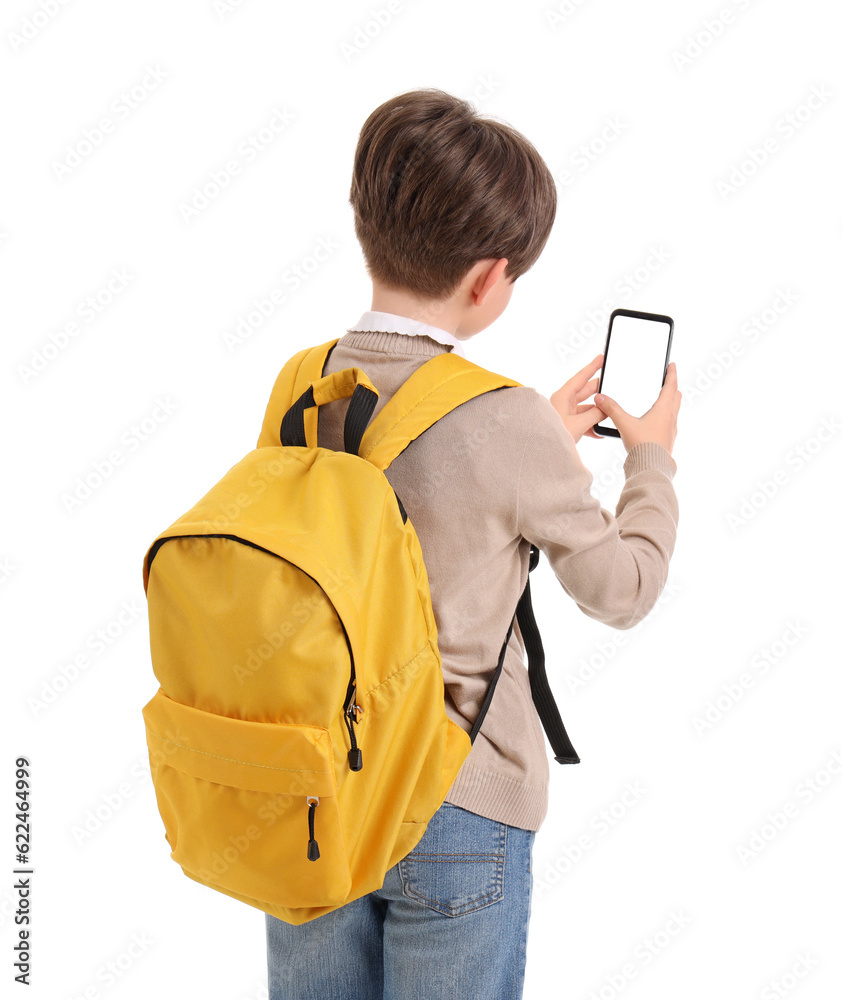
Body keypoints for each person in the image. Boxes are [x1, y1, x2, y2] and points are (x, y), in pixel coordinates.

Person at [265, 87, 680, 1000]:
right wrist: (648, 462)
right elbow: (623, 589)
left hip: (308, 792)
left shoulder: (302, 381)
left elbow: (361, 513)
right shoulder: (504, 422)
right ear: (490, 278)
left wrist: (533, 441)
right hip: (455, 806)